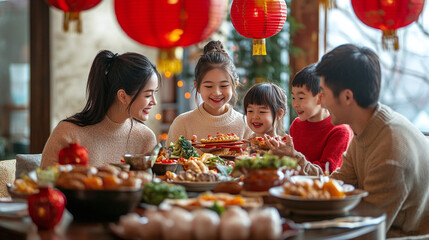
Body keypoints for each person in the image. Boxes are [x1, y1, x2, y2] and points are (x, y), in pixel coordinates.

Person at [265, 44, 429, 237]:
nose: (322, 102)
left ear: (347, 96)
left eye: (324, 94)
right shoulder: (366, 128)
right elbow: (337, 185)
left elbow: (368, 229)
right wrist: (293, 159)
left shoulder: (390, 152)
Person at [41, 50, 159, 168]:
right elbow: (45, 180)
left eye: (155, 93)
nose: (154, 101)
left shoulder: (146, 138)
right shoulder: (68, 134)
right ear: (122, 96)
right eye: (148, 95)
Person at [166, 40, 252, 146]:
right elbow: (169, 159)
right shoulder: (182, 123)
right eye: (209, 86)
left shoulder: (245, 124)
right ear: (197, 87)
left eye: (224, 86)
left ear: (234, 86)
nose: (216, 92)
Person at [288, 64, 353, 173]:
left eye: (301, 98)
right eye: (293, 97)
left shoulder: (340, 131)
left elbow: (325, 172)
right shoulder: (296, 125)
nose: (295, 104)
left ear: (320, 98)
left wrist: (292, 155)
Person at [243, 83, 286, 152]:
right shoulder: (245, 145)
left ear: (279, 114)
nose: (255, 117)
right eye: (250, 111)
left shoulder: (283, 147)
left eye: (262, 111)